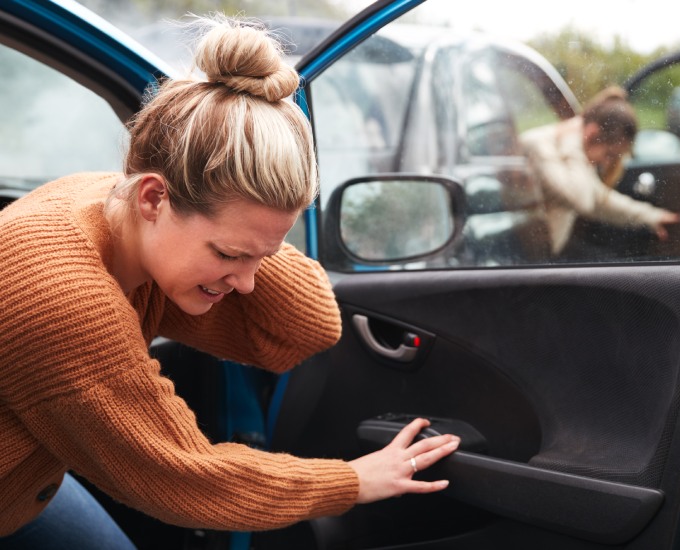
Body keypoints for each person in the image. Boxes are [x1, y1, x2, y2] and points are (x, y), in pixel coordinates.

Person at [0, 14, 460, 549]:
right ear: (153, 197)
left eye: (264, 258)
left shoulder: (111, 200)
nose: (246, 284)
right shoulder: (59, 295)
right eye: (228, 254)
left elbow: (308, 328)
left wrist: (253, 236)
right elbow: (182, 475)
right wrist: (353, 481)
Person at [513, 86, 680, 257]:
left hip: (546, 254)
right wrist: (572, 140)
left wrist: (650, 216)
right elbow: (582, 200)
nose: (606, 163)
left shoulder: (573, 153)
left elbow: (598, 198)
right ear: (592, 132)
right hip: (526, 263)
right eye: (609, 154)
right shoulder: (539, 146)